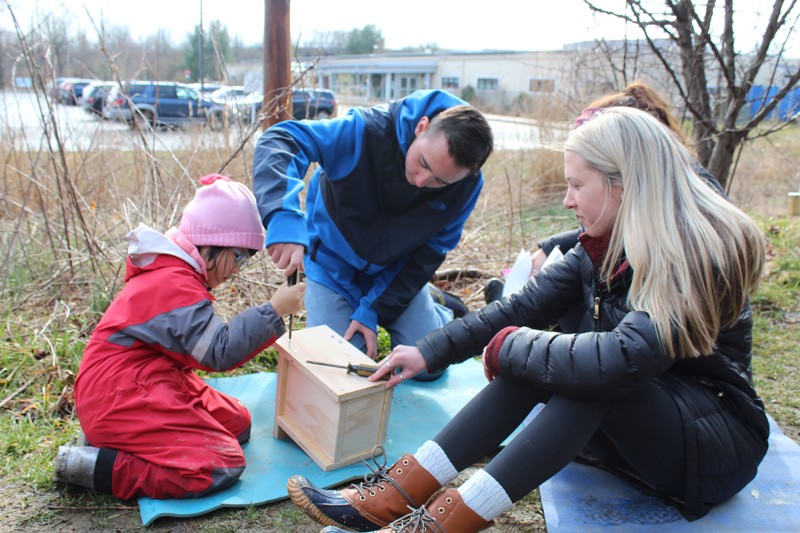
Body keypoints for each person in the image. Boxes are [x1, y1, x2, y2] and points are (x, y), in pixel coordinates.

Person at [286, 107, 769, 532]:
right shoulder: (605, 243)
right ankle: (395, 495)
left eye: (577, 185)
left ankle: (438, 525)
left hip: (711, 448)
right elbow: (518, 308)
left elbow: (625, 359)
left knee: (590, 375)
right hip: (644, 429)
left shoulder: (696, 253)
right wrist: (429, 349)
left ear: (624, 184)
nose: (566, 201)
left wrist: (510, 346)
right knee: (555, 362)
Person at [54, 174, 306, 500]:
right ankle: (94, 464)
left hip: (146, 378)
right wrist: (273, 310)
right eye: (239, 257)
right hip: (117, 394)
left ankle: (116, 439)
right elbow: (218, 350)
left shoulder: (177, 273)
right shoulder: (173, 283)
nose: (236, 270)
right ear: (212, 243)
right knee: (220, 464)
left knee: (238, 422)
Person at [252, 89, 493, 379]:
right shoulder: (364, 132)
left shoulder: (465, 187)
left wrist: (374, 308)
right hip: (332, 267)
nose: (420, 181)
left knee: (429, 367)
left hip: (394, 275)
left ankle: (439, 309)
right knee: (341, 368)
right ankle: (415, 304)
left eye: (439, 181)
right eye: (423, 163)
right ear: (422, 127)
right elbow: (283, 140)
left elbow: (430, 253)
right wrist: (284, 215)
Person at [484, 81, 725, 305]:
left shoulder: (685, 206)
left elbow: (633, 340)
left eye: (577, 185)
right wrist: (550, 247)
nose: (567, 201)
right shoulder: (655, 189)